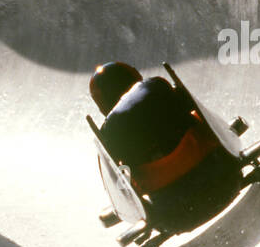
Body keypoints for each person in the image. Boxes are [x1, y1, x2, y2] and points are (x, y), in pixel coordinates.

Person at [89, 61, 240, 228]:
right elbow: (196, 109)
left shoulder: (108, 132)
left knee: (129, 170)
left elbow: (121, 181)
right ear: (133, 76)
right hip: (224, 177)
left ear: (101, 102)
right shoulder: (157, 86)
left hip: (173, 213)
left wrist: (125, 208)